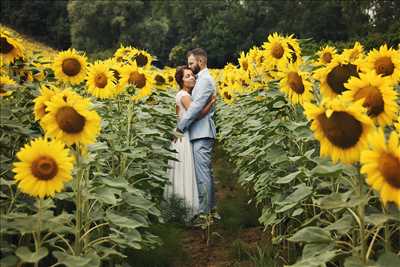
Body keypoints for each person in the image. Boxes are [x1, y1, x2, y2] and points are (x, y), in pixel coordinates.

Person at [166, 65, 216, 218]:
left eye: (192, 75)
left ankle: (181, 207)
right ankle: (189, 209)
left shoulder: (184, 94)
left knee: (183, 171)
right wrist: (211, 102)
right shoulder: (184, 96)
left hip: (182, 134)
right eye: (187, 76)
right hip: (185, 136)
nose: (192, 77)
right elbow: (196, 114)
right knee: (187, 170)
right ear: (181, 81)